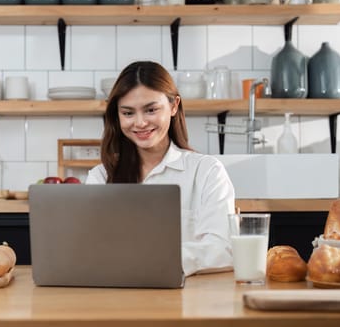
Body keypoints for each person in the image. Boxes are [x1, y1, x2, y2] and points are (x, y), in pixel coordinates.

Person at [86, 61, 235, 276]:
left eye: (151, 110)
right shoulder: (101, 176)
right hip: (118, 300)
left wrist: (149, 260)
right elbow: (89, 250)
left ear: (174, 106)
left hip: (189, 301)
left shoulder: (207, 172)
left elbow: (224, 250)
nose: (140, 123)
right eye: (128, 113)